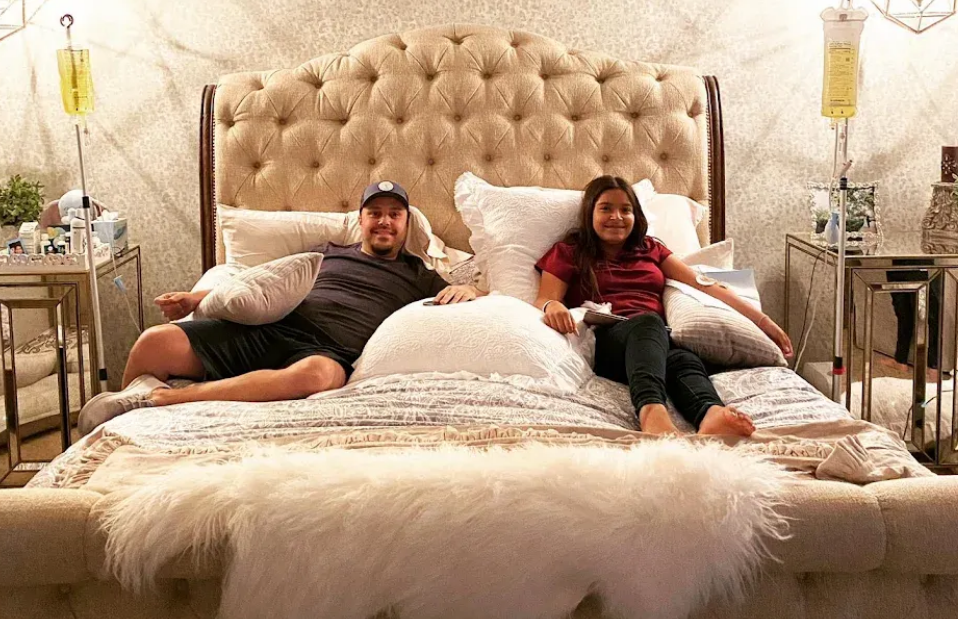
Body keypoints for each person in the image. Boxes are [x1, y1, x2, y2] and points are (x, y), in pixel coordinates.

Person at [78, 181, 481, 435]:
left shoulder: (418, 274)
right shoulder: (327, 252)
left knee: (321, 376)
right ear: (361, 219)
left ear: (406, 224)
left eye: (395, 215)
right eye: (375, 213)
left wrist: (469, 290)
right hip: (271, 328)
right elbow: (259, 281)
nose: (384, 222)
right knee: (155, 342)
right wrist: (195, 299)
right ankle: (115, 430)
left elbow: (471, 294)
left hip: (326, 351)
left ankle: (166, 399)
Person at [534, 175, 793, 437]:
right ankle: (652, 412)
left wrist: (764, 322)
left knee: (683, 358)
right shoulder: (569, 251)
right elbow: (545, 298)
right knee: (648, 322)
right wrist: (552, 306)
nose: (617, 216)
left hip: (655, 341)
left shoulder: (650, 249)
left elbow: (704, 284)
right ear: (590, 212)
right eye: (606, 208)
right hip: (605, 342)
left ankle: (711, 413)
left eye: (626, 210)